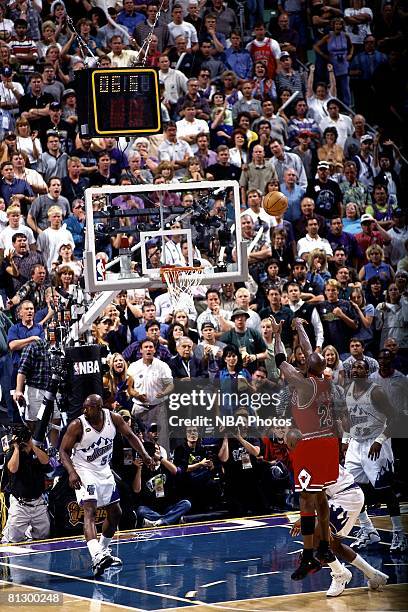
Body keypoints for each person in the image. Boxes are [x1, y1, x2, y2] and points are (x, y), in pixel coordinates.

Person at [271, 316, 346, 583]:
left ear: (306, 365)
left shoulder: (302, 384)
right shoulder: (327, 382)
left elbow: (281, 362)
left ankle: (308, 555)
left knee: (305, 498)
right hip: (328, 442)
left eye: (303, 359)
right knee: (321, 496)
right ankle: (324, 546)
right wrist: (301, 327)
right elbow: (310, 350)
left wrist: (278, 336)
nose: (300, 358)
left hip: (311, 444)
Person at [59, 394, 154, 576]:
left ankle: (103, 550)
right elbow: (63, 450)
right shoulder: (77, 425)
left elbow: (130, 435)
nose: (84, 410)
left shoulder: (113, 418)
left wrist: (145, 454)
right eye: (84, 407)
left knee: (116, 512)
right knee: (90, 510)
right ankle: (96, 555)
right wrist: (71, 472)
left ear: (99, 407)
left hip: (104, 470)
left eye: (89, 407)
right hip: (83, 470)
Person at [290, 465, 389, 595]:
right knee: (334, 545)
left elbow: (316, 496)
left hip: (346, 496)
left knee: (317, 539)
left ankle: (339, 573)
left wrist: (304, 518)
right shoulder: (310, 454)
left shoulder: (309, 458)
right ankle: (373, 575)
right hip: (345, 495)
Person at [343, 359, 407, 553]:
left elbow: (396, 418)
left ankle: (399, 533)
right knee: (351, 490)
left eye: (360, 367)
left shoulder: (377, 391)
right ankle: (368, 530)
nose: (355, 369)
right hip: (356, 444)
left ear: (368, 371)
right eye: (353, 366)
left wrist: (380, 440)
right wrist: (345, 441)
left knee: (386, 490)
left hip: (376, 443)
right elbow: (349, 418)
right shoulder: (348, 389)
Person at [2, 425, 51, 543]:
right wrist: (17, 448)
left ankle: (29, 532)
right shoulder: (13, 453)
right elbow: (12, 469)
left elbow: (46, 461)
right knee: (12, 539)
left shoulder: (37, 451)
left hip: (38, 502)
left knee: (43, 537)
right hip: (20, 504)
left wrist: (32, 445)